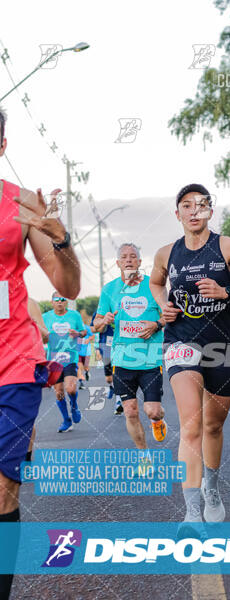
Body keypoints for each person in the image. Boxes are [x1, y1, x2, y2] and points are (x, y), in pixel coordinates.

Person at [0, 106, 80, 600]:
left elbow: (67, 286)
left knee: (4, 488)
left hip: (14, 359)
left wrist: (62, 240)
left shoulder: (22, 205)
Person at [150, 183, 230, 530]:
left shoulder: (226, 246)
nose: (195, 211)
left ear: (210, 211)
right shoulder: (166, 253)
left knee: (213, 426)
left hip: (223, 345)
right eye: (187, 205)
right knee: (191, 425)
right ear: (178, 213)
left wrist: (226, 291)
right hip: (181, 342)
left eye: (202, 205)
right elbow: (156, 283)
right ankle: (191, 512)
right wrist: (163, 307)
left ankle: (211, 488)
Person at [93, 243, 168, 446]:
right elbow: (95, 326)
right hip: (122, 360)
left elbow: (170, 316)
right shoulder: (109, 289)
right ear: (117, 263)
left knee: (152, 410)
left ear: (140, 262)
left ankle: (158, 419)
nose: (128, 260)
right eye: (124, 257)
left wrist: (157, 324)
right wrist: (104, 320)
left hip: (150, 359)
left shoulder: (153, 286)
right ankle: (143, 455)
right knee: (130, 411)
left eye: (133, 256)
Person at [43, 293, 87, 432]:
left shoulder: (74, 315)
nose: (60, 302)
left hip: (70, 357)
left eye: (63, 299)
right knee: (59, 393)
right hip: (54, 360)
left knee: (71, 389)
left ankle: (74, 407)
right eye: (57, 300)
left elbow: (84, 331)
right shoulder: (45, 317)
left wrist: (78, 334)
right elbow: (39, 334)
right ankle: (66, 420)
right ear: (52, 302)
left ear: (66, 302)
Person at [25, 298, 50, 462]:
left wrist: (31, 323)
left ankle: (25, 459)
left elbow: (46, 337)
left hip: (23, 367)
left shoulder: (29, 303)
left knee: (23, 418)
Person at [90, 310, 117, 408]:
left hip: (121, 344)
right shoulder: (99, 311)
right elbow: (92, 329)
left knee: (119, 372)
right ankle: (111, 386)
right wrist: (103, 324)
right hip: (105, 345)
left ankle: (119, 400)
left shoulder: (123, 306)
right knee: (109, 378)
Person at [77, 322, 94, 389]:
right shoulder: (75, 328)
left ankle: (87, 372)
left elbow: (93, 336)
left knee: (86, 367)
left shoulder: (86, 328)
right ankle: (81, 383)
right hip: (78, 351)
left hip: (87, 351)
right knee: (79, 367)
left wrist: (88, 339)